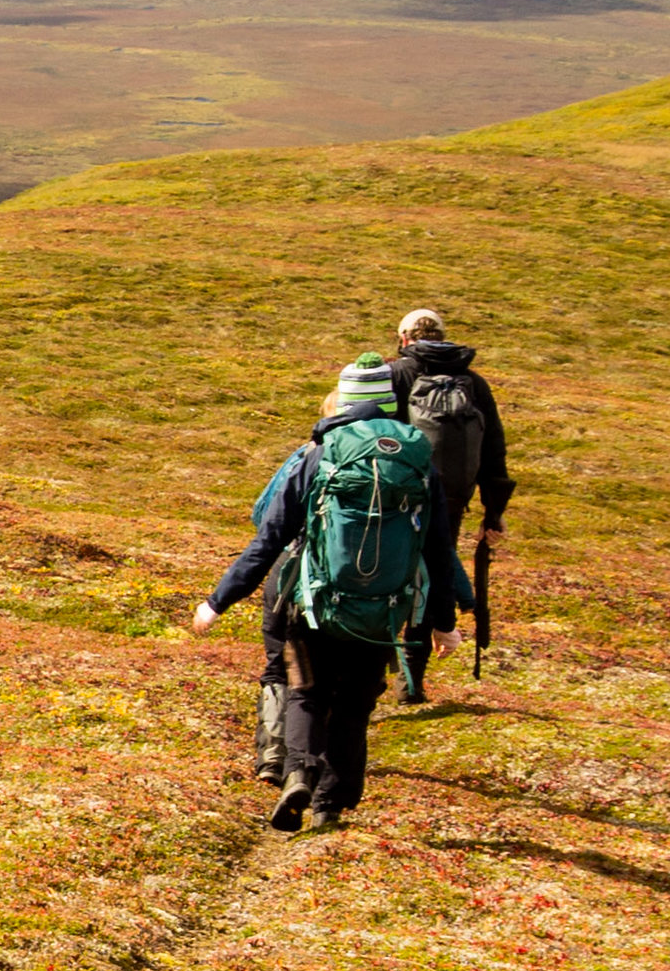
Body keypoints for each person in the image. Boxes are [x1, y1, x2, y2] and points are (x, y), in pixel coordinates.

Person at [189, 350, 428, 834]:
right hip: (380, 608)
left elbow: (268, 535)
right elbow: (437, 546)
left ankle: (296, 771)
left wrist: (218, 600)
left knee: (306, 691)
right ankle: (330, 804)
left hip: (310, 603)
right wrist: (443, 617)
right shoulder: (417, 459)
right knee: (356, 704)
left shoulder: (315, 456)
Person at [383, 306, 515, 706]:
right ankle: (413, 682)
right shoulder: (474, 383)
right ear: (443, 336)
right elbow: (493, 451)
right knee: (432, 573)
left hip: (394, 494)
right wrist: (493, 513)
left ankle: (373, 666)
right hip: (449, 498)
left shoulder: (395, 374)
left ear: (404, 338)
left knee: (386, 574)